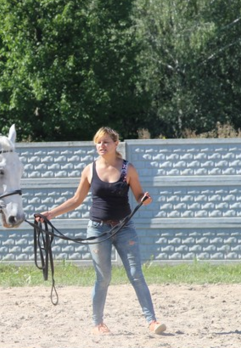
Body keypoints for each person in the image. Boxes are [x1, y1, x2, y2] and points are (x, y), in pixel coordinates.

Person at [38, 127, 166, 335]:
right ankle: (98, 324)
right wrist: (50, 214)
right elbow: (76, 200)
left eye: (106, 142)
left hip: (125, 228)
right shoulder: (89, 170)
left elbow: (139, 195)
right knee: (103, 277)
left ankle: (152, 321)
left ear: (116, 144)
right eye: (98, 142)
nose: (101, 146)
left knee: (136, 274)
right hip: (97, 229)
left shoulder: (128, 169)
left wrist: (145, 199)